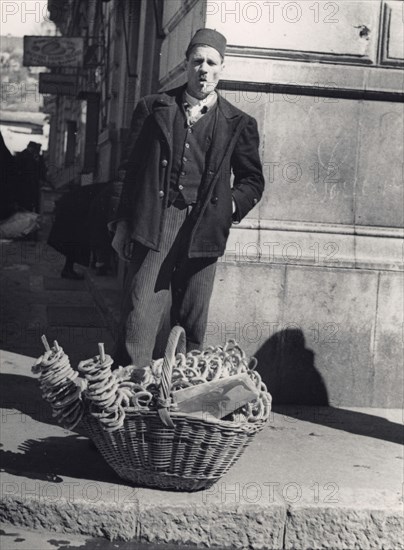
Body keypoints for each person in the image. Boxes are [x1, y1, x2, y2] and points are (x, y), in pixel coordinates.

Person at [110, 28, 265, 368]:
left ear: (222, 67)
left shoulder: (238, 122)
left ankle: (180, 388)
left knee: (192, 315)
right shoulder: (154, 108)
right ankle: (130, 388)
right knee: (140, 309)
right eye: (198, 61)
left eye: (212, 62)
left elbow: (253, 180)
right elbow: (129, 171)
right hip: (156, 220)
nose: (204, 70)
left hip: (205, 226)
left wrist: (228, 206)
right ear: (186, 65)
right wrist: (122, 222)